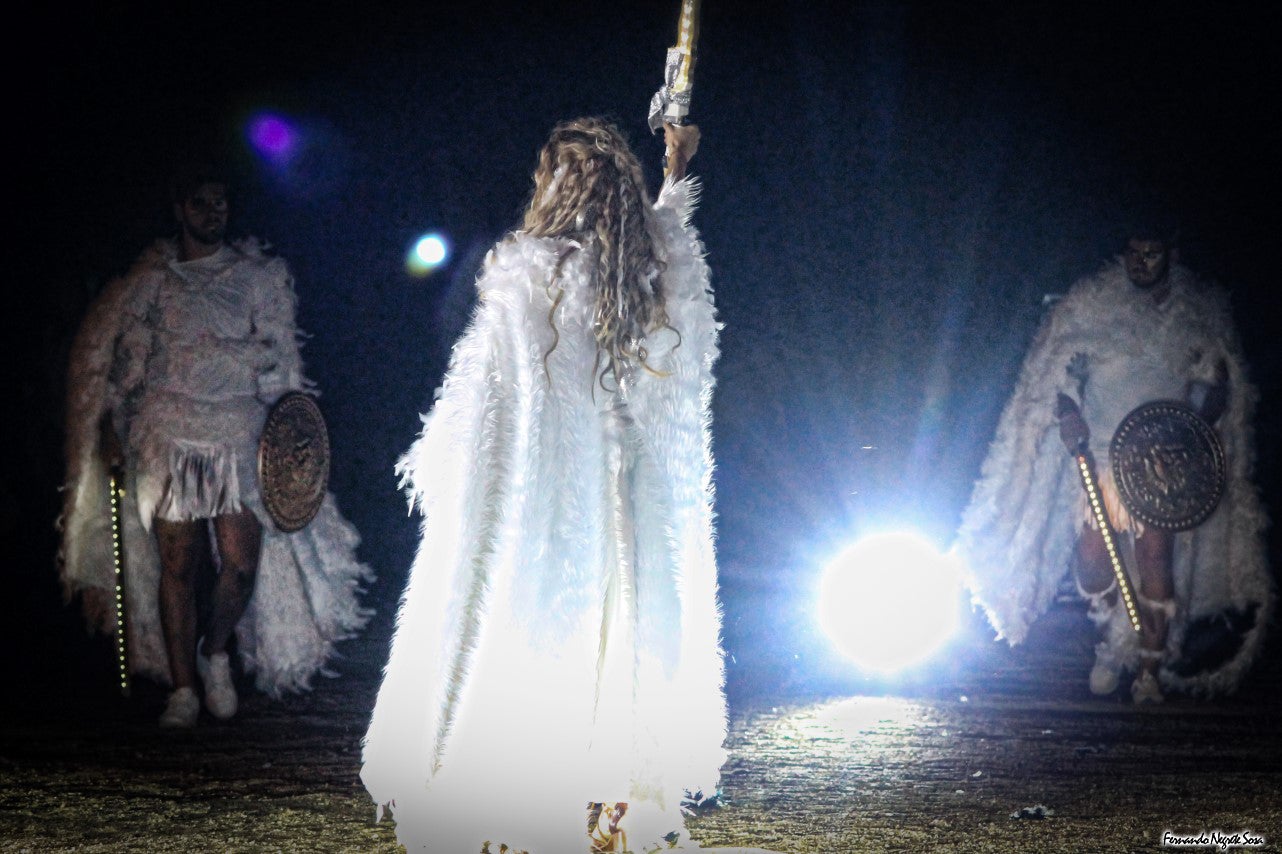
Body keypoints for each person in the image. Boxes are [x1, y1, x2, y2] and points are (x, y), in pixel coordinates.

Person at [361, 119, 727, 852]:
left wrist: (446, 469)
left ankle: (539, 794)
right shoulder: (635, 269)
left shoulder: (530, 272)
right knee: (611, 626)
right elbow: (672, 243)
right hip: (611, 492)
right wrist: (675, 170)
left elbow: (482, 395)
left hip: (552, 501)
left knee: (541, 621)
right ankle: (603, 801)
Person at [59, 163, 372, 728]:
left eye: (220, 202)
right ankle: (183, 689)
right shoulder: (154, 282)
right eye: (201, 203)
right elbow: (129, 363)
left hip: (236, 433)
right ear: (180, 209)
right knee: (178, 562)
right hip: (170, 429)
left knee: (240, 565)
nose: (214, 212)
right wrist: (109, 422)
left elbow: (279, 360)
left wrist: (292, 426)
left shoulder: (258, 276)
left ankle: (216, 650)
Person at [955, 229, 1273, 703]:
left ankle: (1147, 667)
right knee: (1092, 560)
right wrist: (1067, 412)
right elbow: (1062, 373)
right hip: (1100, 455)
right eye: (1134, 252)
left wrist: (1188, 433)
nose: (1141, 262)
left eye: (1152, 253)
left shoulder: (1198, 314)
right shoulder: (1090, 306)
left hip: (1160, 463)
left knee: (1154, 559)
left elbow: (1219, 387)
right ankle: (1114, 639)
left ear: (1172, 255)